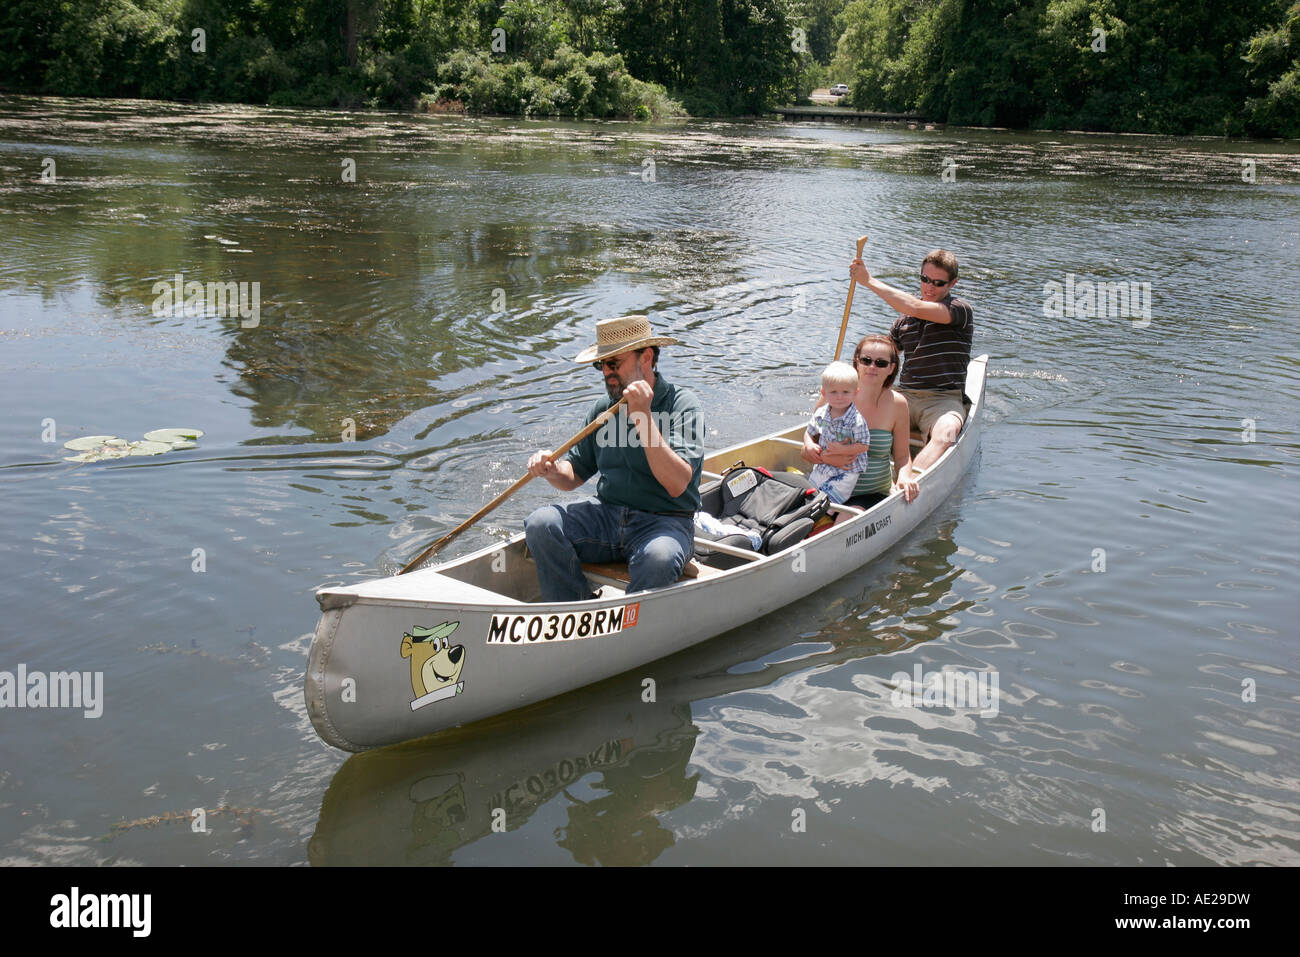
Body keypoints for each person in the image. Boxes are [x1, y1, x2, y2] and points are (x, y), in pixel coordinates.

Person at [524, 315, 704, 602]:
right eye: (601, 365)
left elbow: (677, 484)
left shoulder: (682, 405)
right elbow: (574, 475)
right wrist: (551, 468)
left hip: (664, 522)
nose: (606, 372)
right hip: (607, 516)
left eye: (614, 363)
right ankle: (575, 609)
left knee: (658, 558)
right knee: (540, 524)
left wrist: (643, 417)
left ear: (646, 357)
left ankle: (631, 628)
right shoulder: (603, 410)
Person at [849, 249, 973, 472]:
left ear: (952, 284)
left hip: (942, 400)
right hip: (903, 395)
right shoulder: (902, 323)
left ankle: (906, 485)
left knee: (947, 432)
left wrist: (868, 281)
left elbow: (914, 307)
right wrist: (847, 383)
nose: (929, 287)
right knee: (849, 411)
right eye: (924, 279)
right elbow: (883, 360)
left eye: (938, 282)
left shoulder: (960, 310)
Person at [806, 334, 918, 506]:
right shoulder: (832, 397)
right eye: (866, 360)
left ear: (891, 368)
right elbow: (806, 451)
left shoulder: (898, 404)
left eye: (881, 363)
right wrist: (824, 458)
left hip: (870, 494)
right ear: (856, 362)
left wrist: (904, 476)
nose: (872, 366)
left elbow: (902, 456)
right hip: (825, 488)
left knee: (842, 521)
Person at [804, 361, 872, 516]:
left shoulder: (856, 420)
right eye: (833, 392)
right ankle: (808, 512)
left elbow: (864, 445)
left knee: (830, 499)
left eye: (845, 392)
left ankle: (825, 515)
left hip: (847, 469)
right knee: (810, 491)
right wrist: (808, 444)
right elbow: (809, 431)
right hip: (824, 465)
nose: (839, 397)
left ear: (855, 393)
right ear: (823, 393)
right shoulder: (821, 412)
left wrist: (843, 449)